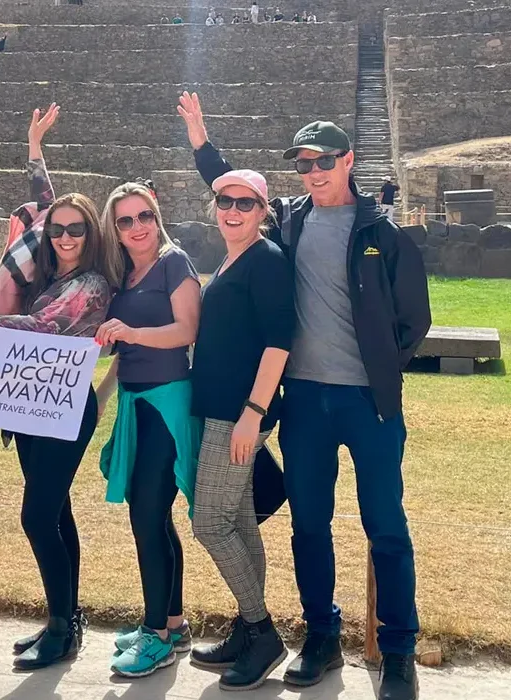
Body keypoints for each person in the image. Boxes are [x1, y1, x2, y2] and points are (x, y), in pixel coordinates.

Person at [179, 91, 430, 700]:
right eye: (303, 164)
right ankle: (321, 636)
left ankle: (397, 649)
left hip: (368, 404)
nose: (313, 172)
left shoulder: (382, 233)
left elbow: (413, 320)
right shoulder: (289, 220)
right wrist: (199, 139)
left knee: (385, 526)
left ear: (349, 160)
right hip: (307, 402)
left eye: (323, 160)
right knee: (309, 526)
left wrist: (377, 371)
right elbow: (234, 192)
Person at [0, 106, 121, 672]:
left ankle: (62, 625)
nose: (63, 236)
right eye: (57, 229)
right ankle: (65, 620)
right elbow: (47, 206)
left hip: (63, 404)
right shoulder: (54, 265)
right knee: (56, 512)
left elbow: (44, 329)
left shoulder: (89, 283)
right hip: (33, 402)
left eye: (75, 229)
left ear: (92, 234)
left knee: (37, 517)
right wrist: (35, 149)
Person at [176, 162, 296, 689]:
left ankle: (262, 630)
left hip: (238, 414)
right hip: (220, 409)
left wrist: (253, 412)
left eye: (245, 203)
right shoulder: (231, 259)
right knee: (240, 523)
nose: (232, 210)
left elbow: (278, 342)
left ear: (262, 212)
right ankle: (248, 632)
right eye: (224, 201)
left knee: (210, 524)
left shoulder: (266, 260)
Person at [94, 182, 202, 679]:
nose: (136, 227)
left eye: (143, 216)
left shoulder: (172, 261)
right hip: (136, 402)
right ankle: (172, 624)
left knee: (147, 516)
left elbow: (186, 330)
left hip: (166, 401)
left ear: (156, 216)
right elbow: (120, 350)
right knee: (156, 518)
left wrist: (130, 333)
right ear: (114, 230)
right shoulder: (124, 274)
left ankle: (156, 634)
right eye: (125, 221)